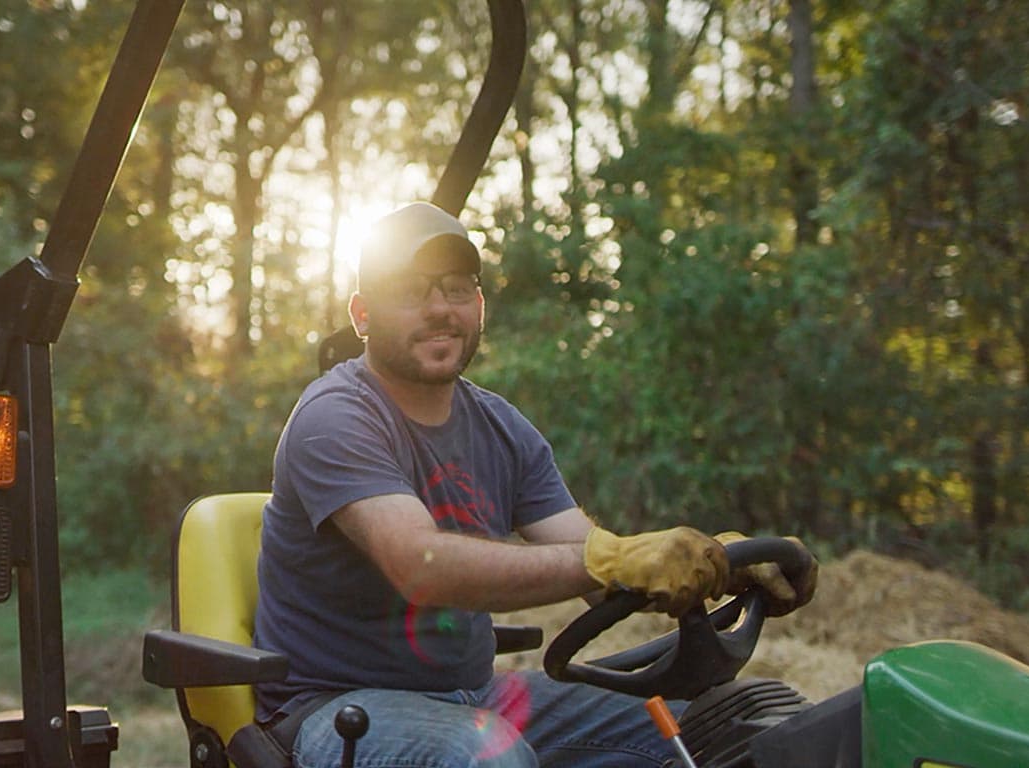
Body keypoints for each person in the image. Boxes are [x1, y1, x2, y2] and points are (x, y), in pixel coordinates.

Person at [253, 202, 818, 768]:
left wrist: (713, 563)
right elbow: (420, 566)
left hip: (478, 697)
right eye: (410, 291)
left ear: (478, 305)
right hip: (335, 710)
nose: (438, 310)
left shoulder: (500, 427)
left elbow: (592, 562)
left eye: (455, 289)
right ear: (362, 314)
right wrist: (613, 559)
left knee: (716, 731)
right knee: (484, 756)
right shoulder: (334, 417)